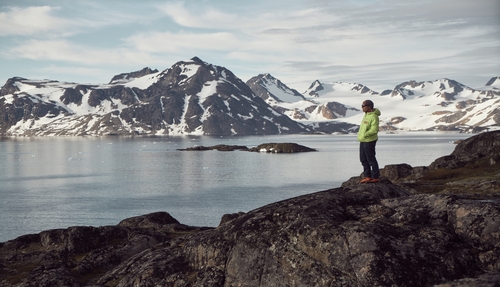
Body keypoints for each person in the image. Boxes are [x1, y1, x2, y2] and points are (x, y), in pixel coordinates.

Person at [357, 100, 381, 183]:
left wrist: (365, 135)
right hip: (363, 140)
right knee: (363, 159)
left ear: (369, 107)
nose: (362, 107)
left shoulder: (374, 116)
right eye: (362, 106)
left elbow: (374, 130)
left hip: (369, 140)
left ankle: (375, 177)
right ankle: (367, 176)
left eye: (364, 106)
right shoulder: (366, 115)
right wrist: (362, 136)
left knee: (371, 159)